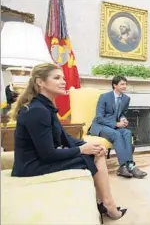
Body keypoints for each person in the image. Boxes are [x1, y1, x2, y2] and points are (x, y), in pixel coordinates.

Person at [10, 63, 125, 221]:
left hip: (39, 160)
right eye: (57, 78)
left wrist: (89, 146)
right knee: (93, 156)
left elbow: (65, 138)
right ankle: (108, 204)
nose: (63, 81)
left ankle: (104, 203)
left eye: (63, 77)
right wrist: (82, 150)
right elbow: (48, 154)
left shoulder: (46, 107)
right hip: (32, 166)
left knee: (96, 152)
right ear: (40, 82)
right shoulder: (37, 111)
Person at [89, 76, 147, 179]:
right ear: (114, 85)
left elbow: (122, 113)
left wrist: (123, 119)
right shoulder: (104, 97)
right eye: (122, 84)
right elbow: (99, 118)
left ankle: (129, 166)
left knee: (127, 132)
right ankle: (124, 166)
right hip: (100, 126)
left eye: (125, 84)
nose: (125, 86)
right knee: (116, 134)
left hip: (114, 126)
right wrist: (116, 124)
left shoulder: (126, 99)